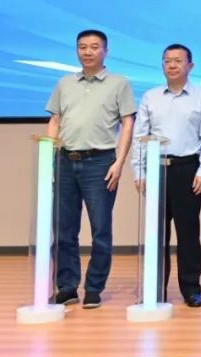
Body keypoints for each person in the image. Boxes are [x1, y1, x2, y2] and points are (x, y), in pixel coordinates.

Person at [46, 29, 136, 309]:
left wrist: (119, 162)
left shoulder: (119, 83)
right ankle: (67, 286)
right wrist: (49, 157)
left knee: (100, 229)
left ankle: (94, 287)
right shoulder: (64, 83)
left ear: (105, 51)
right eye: (82, 47)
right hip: (64, 160)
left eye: (94, 46)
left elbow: (128, 123)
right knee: (63, 229)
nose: (87, 51)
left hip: (100, 163)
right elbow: (55, 120)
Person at [131, 43, 201, 308]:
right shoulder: (150, 97)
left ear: (190, 66)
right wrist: (139, 171)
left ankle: (191, 289)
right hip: (156, 169)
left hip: (187, 169)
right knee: (156, 234)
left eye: (178, 60)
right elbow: (139, 136)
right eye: (167, 60)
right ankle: (155, 289)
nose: (172, 65)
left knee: (188, 233)